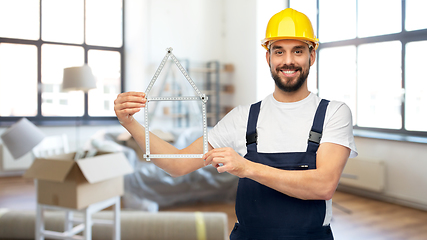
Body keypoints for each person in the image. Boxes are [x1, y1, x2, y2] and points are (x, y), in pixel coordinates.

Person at [114, 8, 357, 240]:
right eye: (279, 51)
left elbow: (323, 185)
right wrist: (131, 123)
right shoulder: (243, 117)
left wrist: (246, 168)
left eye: (298, 51)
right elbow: (177, 165)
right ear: (268, 57)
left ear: (312, 55)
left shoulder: (333, 113)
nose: (288, 61)